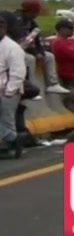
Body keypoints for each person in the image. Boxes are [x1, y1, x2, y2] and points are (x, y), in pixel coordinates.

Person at [1, 12, 28, 158]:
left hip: (7, 90)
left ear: (5, 28)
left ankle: (10, 145)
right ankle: (13, 139)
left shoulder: (12, 47)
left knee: (7, 119)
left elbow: (18, 72)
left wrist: (9, 91)